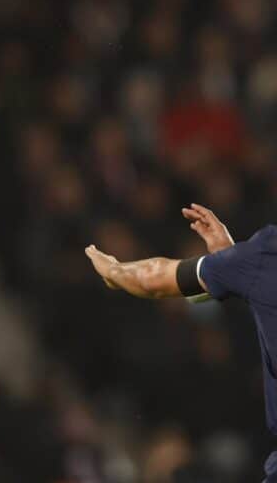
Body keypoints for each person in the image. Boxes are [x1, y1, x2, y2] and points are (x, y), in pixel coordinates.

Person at [85, 203, 277, 483]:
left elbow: (154, 278)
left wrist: (115, 272)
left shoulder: (265, 255)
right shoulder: (258, 259)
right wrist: (231, 262)